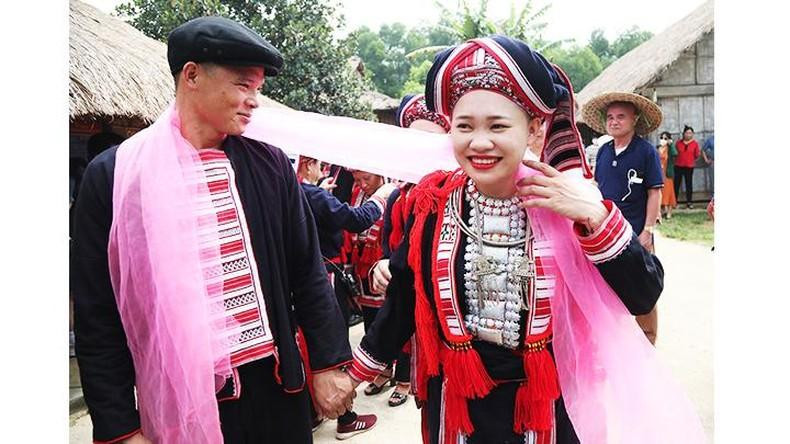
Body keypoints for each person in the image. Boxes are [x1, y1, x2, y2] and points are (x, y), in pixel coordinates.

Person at [344, 36, 677, 444]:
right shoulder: (432, 204)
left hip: (547, 406)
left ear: (534, 129)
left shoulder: (567, 203)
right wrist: (351, 376)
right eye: (464, 126)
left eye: (498, 126)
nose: (479, 142)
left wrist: (594, 215)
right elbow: (404, 301)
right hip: (458, 406)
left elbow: (642, 295)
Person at [72, 16, 355, 443]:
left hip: (275, 390)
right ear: (191, 76)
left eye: (257, 88)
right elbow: (98, 313)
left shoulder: (268, 164)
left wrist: (328, 363)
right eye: (243, 85)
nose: (254, 101)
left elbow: (307, 269)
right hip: (180, 402)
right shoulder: (115, 177)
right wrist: (121, 428)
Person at [298, 155, 392, 439]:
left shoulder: (292, 192)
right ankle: (346, 417)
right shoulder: (311, 193)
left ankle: (314, 411)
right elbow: (356, 219)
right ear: (308, 165)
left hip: (307, 278)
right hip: (323, 275)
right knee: (334, 342)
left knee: (310, 343)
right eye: (318, 166)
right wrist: (382, 198)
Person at [369, 94, 451, 408]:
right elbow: (390, 250)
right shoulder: (398, 197)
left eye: (433, 141)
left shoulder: (461, 196)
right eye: (414, 141)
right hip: (408, 309)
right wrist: (382, 265)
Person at [581, 91, 665, 345]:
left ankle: (648, 341)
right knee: (609, 287)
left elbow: (654, 192)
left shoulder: (646, 152)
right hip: (607, 233)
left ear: (634, 119)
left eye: (621, 117)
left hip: (636, 232)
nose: (614, 121)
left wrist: (648, 229)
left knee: (643, 290)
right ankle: (616, 345)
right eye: (610, 117)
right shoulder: (604, 152)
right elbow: (597, 187)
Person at [674, 125, 700, 208]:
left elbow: (697, 155)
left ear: (692, 134)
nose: (688, 134)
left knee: (689, 184)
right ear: (683, 133)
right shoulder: (678, 143)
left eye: (690, 133)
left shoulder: (695, 144)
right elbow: (675, 153)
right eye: (687, 133)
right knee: (676, 184)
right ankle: (674, 202)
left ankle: (689, 202)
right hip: (678, 166)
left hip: (689, 166)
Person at [657, 131, 678, 220]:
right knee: (660, 192)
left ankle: (669, 211)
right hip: (659, 173)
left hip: (667, 173)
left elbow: (675, 154)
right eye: (662, 138)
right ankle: (662, 210)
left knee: (669, 192)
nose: (663, 140)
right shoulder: (657, 148)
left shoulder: (670, 149)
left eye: (665, 138)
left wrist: (671, 144)